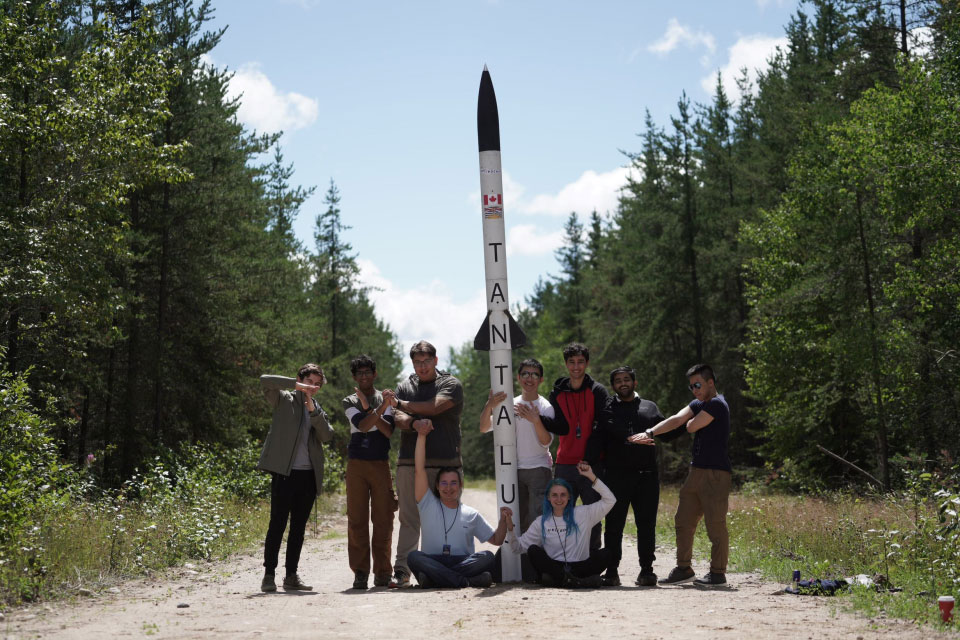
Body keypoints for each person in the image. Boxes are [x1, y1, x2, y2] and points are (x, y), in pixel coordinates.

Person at [632, 363, 732, 587]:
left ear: (710, 383)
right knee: (683, 520)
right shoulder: (700, 403)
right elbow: (677, 419)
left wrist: (689, 421)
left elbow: (690, 426)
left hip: (716, 473)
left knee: (715, 523)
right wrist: (650, 432)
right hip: (696, 471)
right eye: (691, 387)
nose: (694, 390)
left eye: (697, 385)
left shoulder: (717, 404)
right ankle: (684, 568)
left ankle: (718, 573)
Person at [586, 366, 682, 587]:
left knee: (646, 525)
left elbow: (666, 430)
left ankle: (647, 571)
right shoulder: (608, 408)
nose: (623, 383)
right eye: (618, 381)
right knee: (614, 525)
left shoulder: (649, 408)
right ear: (613, 386)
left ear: (635, 383)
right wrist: (587, 460)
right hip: (616, 477)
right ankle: (611, 572)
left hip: (646, 477)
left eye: (627, 379)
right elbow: (599, 437)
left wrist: (688, 422)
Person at [390, 341, 464, 588]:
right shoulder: (405, 385)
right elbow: (395, 417)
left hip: (446, 463)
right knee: (410, 519)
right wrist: (413, 424)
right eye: (417, 362)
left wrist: (401, 404)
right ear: (412, 363)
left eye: (426, 361)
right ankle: (402, 571)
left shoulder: (450, 384)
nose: (422, 366)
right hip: (409, 462)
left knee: (445, 518)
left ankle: (443, 568)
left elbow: (434, 407)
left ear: (436, 360)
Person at [256, 364, 334, 592]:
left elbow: (327, 435)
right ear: (300, 379)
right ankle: (268, 575)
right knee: (277, 525)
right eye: (310, 381)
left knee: (298, 529)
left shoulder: (317, 408)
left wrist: (314, 411)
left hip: (308, 476)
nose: (314, 386)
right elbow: (264, 378)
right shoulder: (283, 400)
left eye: (317, 384)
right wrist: (297, 386)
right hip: (284, 473)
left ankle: (291, 576)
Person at [407, 421, 510, 588]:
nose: (449, 488)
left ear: (460, 485)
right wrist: (421, 435)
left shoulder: (471, 514)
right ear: (437, 486)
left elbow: (497, 540)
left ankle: (435, 579)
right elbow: (419, 469)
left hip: (462, 561)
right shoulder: (427, 503)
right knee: (413, 557)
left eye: (453, 483)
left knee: (487, 556)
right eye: (444, 483)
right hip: (433, 559)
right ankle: (465, 581)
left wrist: (503, 521)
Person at [503, 461, 615, 588]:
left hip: (579, 566)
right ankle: (576, 581)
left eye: (563, 495)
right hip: (555, 567)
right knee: (533, 550)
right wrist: (510, 528)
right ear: (548, 498)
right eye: (554, 495)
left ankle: (565, 581)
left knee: (606, 553)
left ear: (569, 497)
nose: (559, 499)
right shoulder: (541, 521)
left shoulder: (584, 513)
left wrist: (591, 476)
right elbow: (517, 547)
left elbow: (610, 500)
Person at [479, 358, 556, 533]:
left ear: (541, 379)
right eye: (525, 374)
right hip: (513, 471)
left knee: (538, 520)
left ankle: (536, 559)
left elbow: (546, 442)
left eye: (535, 374)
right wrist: (489, 406)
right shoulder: (508, 404)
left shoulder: (546, 408)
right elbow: (484, 428)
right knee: (517, 521)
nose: (530, 378)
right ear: (518, 378)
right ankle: (520, 560)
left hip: (539, 469)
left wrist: (535, 421)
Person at [342, 355, 399, 590]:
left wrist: (376, 408)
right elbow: (363, 426)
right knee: (357, 520)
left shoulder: (387, 398)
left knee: (384, 519)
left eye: (368, 372)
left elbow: (387, 432)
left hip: (380, 463)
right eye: (360, 373)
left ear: (375, 374)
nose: (364, 376)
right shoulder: (349, 400)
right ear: (355, 377)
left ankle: (383, 572)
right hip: (356, 464)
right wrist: (381, 409)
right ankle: (361, 572)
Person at [548, 342, 609, 551]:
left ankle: (592, 562)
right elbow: (558, 427)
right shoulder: (557, 393)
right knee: (562, 515)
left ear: (587, 363)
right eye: (572, 362)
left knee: (593, 515)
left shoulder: (598, 391)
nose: (576, 367)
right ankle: (563, 560)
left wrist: (590, 460)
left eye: (580, 362)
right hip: (564, 463)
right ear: (566, 364)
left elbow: (602, 428)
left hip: (591, 464)